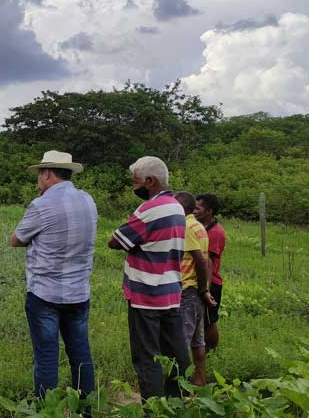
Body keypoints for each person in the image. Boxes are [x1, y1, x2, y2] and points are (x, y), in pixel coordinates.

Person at [10, 150, 97, 400]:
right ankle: (86, 408)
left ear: (47, 174)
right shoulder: (88, 200)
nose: (38, 180)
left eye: (39, 175)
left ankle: (47, 410)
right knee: (80, 352)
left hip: (45, 294)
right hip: (79, 292)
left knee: (46, 356)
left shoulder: (41, 204)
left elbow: (16, 240)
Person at [108, 156, 190, 400]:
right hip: (172, 293)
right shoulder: (176, 206)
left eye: (136, 183)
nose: (135, 188)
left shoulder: (149, 209)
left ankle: (153, 408)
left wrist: (135, 245)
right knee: (178, 355)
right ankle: (175, 403)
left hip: (146, 295)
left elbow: (116, 241)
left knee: (147, 358)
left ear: (150, 181)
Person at [174, 191, 215, 386]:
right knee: (198, 341)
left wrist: (201, 288)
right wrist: (204, 289)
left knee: (181, 343)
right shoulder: (199, 226)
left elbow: (199, 259)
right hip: (195, 291)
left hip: (187, 289)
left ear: (181, 207)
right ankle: (199, 381)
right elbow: (205, 260)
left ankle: (179, 386)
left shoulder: (186, 226)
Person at [194, 193, 226, 352]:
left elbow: (209, 262)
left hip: (210, 282)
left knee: (209, 321)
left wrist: (205, 289)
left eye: (197, 208)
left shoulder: (216, 233)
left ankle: (210, 350)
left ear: (209, 211)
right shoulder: (200, 227)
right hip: (199, 280)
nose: (193, 211)